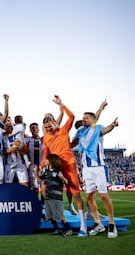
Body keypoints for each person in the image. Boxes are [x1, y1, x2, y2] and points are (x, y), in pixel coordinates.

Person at [41, 95, 87, 237]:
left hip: (70, 166)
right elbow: (46, 153)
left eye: (50, 126)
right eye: (46, 127)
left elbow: (72, 116)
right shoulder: (46, 138)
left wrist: (61, 104)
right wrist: (43, 165)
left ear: (55, 123)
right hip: (56, 169)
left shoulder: (64, 130)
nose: (48, 128)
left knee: (76, 194)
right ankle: (54, 219)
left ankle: (83, 226)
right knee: (46, 191)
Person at [77, 110, 119, 239]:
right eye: (83, 118)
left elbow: (105, 130)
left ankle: (112, 224)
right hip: (86, 169)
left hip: (98, 167)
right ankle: (98, 223)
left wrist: (112, 125)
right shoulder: (81, 133)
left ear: (93, 120)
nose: (83, 120)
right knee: (89, 196)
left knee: (103, 196)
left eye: (86, 118)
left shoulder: (96, 130)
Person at [34, 154, 73, 237]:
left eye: (46, 160)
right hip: (48, 197)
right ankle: (57, 229)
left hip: (57, 197)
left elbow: (66, 182)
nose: (45, 161)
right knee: (49, 216)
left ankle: (68, 229)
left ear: (51, 161)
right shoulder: (47, 172)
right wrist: (35, 172)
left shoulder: (58, 172)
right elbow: (39, 180)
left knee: (59, 215)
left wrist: (62, 177)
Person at [3, 121, 29, 187]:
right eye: (7, 125)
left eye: (10, 125)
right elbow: (0, 152)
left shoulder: (19, 135)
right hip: (9, 165)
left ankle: (26, 197)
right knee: (7, 186)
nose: (9, 127)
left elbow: (26, 150)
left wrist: (20, 146)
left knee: (25, 185)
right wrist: (10, 150)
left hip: (20, 163)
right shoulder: (2, 137)